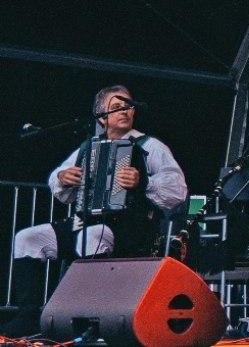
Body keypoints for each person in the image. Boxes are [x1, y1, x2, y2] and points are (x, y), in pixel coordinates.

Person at [1, 85, 187, 338]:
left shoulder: (150, 146)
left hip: (130, 228)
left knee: (92, 237)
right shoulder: (88, 147)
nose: (125, 111)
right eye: (116, 107)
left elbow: (177, 190)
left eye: (128, 106)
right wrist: (63, 178)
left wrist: (143, 182)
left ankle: (88, 318)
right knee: (27, 239)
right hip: (85, 222)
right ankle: (28, 316)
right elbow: (58, 182)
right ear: (101, 117)